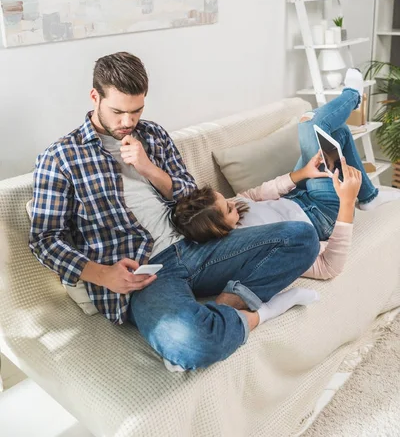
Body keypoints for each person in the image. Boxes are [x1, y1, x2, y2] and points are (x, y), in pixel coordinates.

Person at [29, 52, 320, 372]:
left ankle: (222, 310)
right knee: (192, 344)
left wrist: (149, 169)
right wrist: (103, 275)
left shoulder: (152, 135)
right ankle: (257, 315)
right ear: (95, 97)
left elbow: (193, 198)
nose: (128, 122)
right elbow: (45, 238)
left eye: (136, 110)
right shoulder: (59, 159)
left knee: (302, 236)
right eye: (118, 112)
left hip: (197, 246)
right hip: (145, 273)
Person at [172, 69, 400, 282]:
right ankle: (353, 94)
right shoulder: (248, 248)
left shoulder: (228, 206)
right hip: (321, 214)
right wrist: (348, 203)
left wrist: (303, 173)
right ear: (219, 231)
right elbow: (328, 268)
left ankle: (369, 197)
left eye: (227, 200)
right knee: (310, 124)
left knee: (337, 133)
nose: (234, 204)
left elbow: (254, 193)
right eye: (229, 209)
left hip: (298, 194)